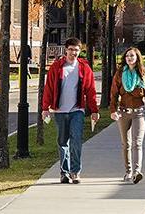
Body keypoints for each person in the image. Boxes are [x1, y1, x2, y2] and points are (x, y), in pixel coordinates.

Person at [41, 37, 99, 184]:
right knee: (62, 142)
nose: (74, 52)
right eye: (71, 49)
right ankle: (64, 173)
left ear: (80, 51)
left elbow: (91, 90)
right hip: (60, 111)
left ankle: (75, 172)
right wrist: (45, 108)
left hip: (76, 110)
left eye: (77, 50)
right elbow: (48, 88)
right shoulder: (57, 67)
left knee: (76, 140)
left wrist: (94, 110)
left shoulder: (84, 68)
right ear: (66, 50)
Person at [109, 46, 145, 184]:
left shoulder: (143, 74)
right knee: (126, 144)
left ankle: (137, 172)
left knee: (138, 143)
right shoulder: (119, 74)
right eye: (127, 56)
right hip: (124, 113)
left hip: (139, 113)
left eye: (132, 56)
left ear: (137, 58)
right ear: (125, 58)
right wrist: (113, 110)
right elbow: (113, 94)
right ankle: (128, 171)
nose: (129, 58)